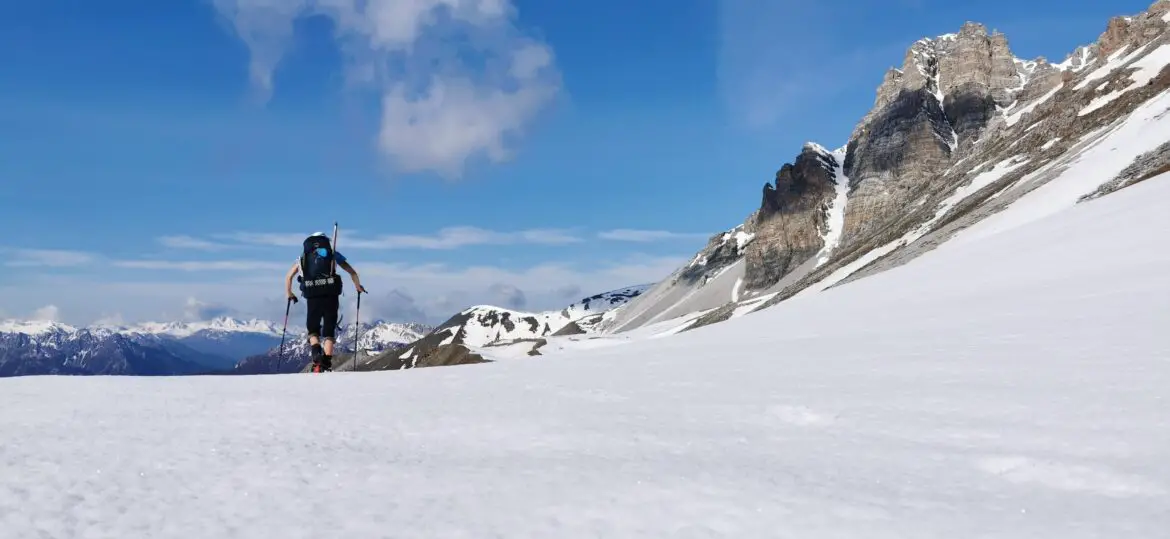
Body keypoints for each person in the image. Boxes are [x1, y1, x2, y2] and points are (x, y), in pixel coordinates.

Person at [284, 232, 366, 372]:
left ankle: (316, 354)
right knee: (329, 329)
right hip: (331, 293)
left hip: (312, 294)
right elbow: (352, 272)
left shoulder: (302, 258)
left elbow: (289, 276)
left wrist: (290, 293)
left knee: (313, 328)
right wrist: (358, 286)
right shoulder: (332, 253)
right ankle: (326, 363)